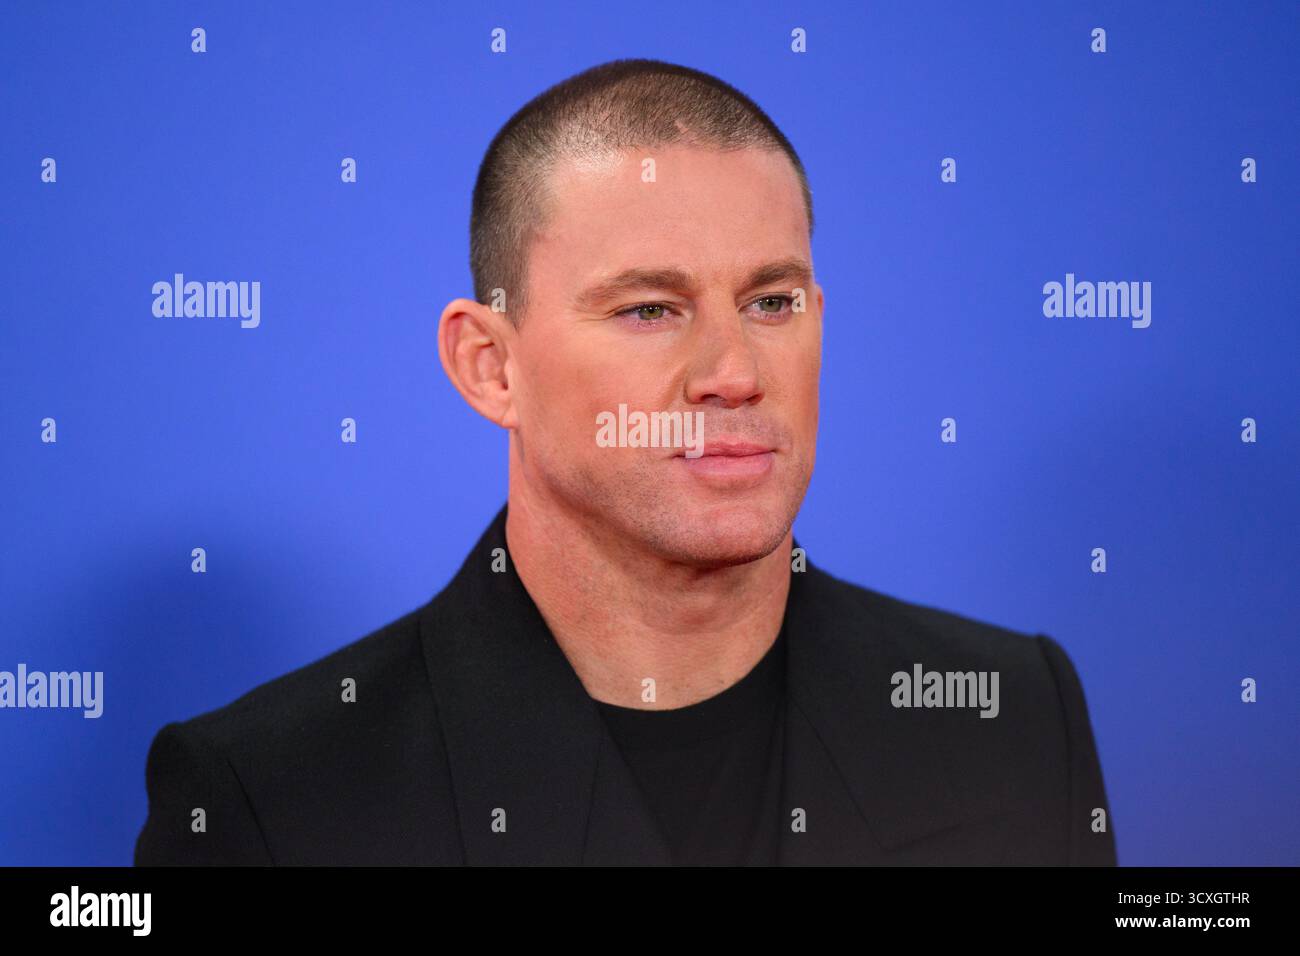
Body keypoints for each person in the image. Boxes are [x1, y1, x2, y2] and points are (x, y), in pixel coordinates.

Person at [135, 58, 1116, 866]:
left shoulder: (1013, 710)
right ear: (492, 366)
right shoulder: (267, 800)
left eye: (771, 301)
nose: (734, 372)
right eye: (650, 308)